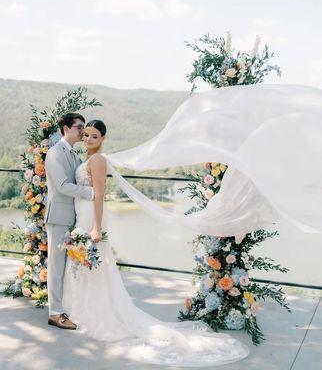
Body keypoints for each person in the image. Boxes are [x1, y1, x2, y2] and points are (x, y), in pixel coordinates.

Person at [62, 119, 249, 367]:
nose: (87, 140)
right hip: (82, 215)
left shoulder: (97, 160)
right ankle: (84, 310)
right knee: (87, 263)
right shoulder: (87, 158)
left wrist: (96, 226)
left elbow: (99, 196)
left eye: (94, 136)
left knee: (93, 263)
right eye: (85, 135)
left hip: (90, 216)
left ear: (103, 139)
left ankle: (95, 313)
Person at [45, 113, 94, 330]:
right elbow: (63, 185)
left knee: (66, 266)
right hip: (58, 217)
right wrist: (91, 192)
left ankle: (65, 307)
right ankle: (55, 313)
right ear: (66, 128)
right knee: (56, 266)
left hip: (71, 218)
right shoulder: (55, 153)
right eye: (79, 127)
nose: (83, 131)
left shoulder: (75, 156)